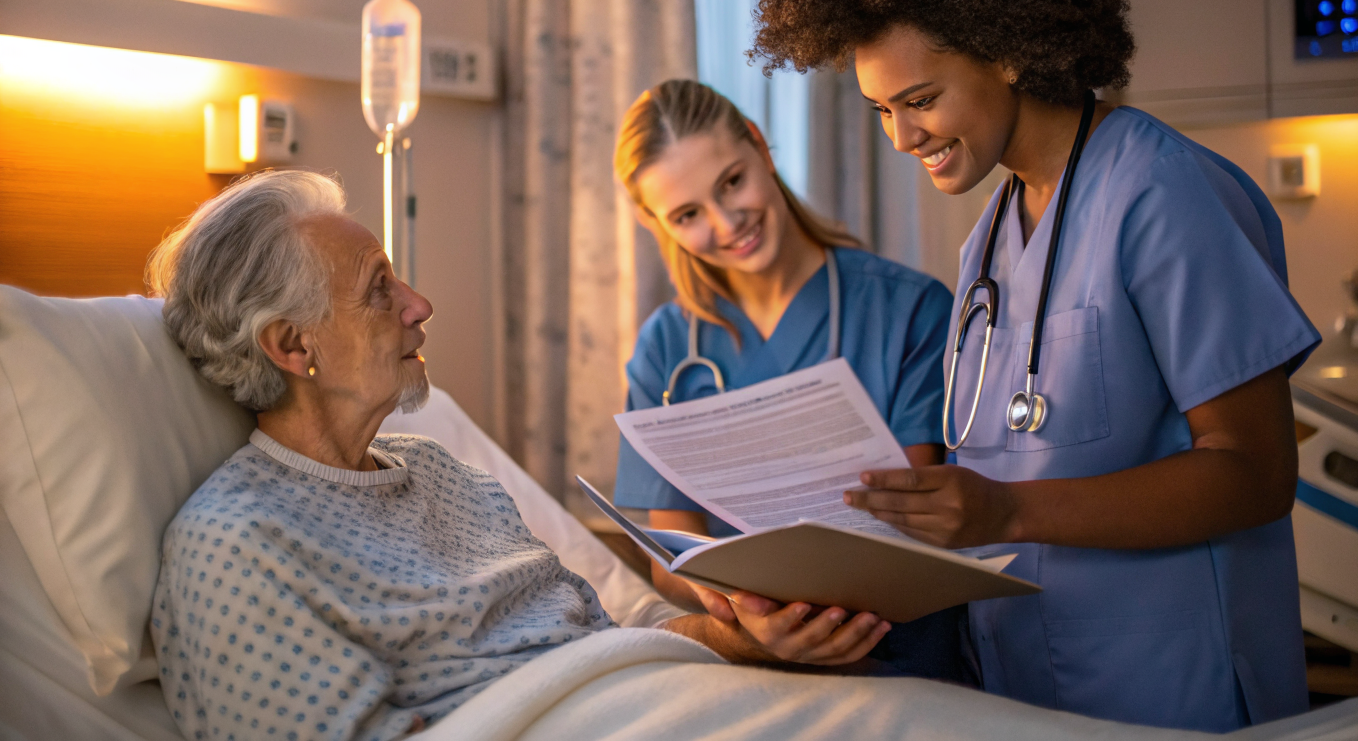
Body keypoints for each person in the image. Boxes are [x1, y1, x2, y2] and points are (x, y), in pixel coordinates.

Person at [747, 0, 1319, 732]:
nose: (901, 136)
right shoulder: (991, 234)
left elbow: (1255, 473)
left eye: (920, 100)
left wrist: (1008, 510)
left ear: (1006, 48)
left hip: (1166, 688)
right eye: (879, 110)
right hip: (1022, 688)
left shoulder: (1163, 194)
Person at [146, 170, 890, 741]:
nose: (419, 305)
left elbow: (599, 640)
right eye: (379, 290)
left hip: (665, 697)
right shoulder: (238, 545)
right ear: (292, 345)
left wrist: (747, 638)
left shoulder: (439, 472)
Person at [612, 80, 961, 679]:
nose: (727, 223)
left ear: (758, 144)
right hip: (750, 668)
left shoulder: (909, 310)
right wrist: (743, 617)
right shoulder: (666, 347)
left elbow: (911, 523)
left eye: (731, 182)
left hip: (896, 660)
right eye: (688, 215)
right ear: (655, 222)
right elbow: (671, 554)